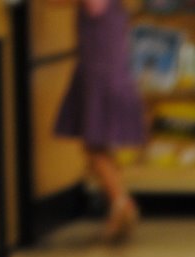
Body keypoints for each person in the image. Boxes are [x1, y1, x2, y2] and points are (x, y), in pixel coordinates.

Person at [53, 0, 146, 241]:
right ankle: (119, 204)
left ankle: (120, 202)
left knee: (94, 147)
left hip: (99, 77)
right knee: (101, 146)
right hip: (111, 73)